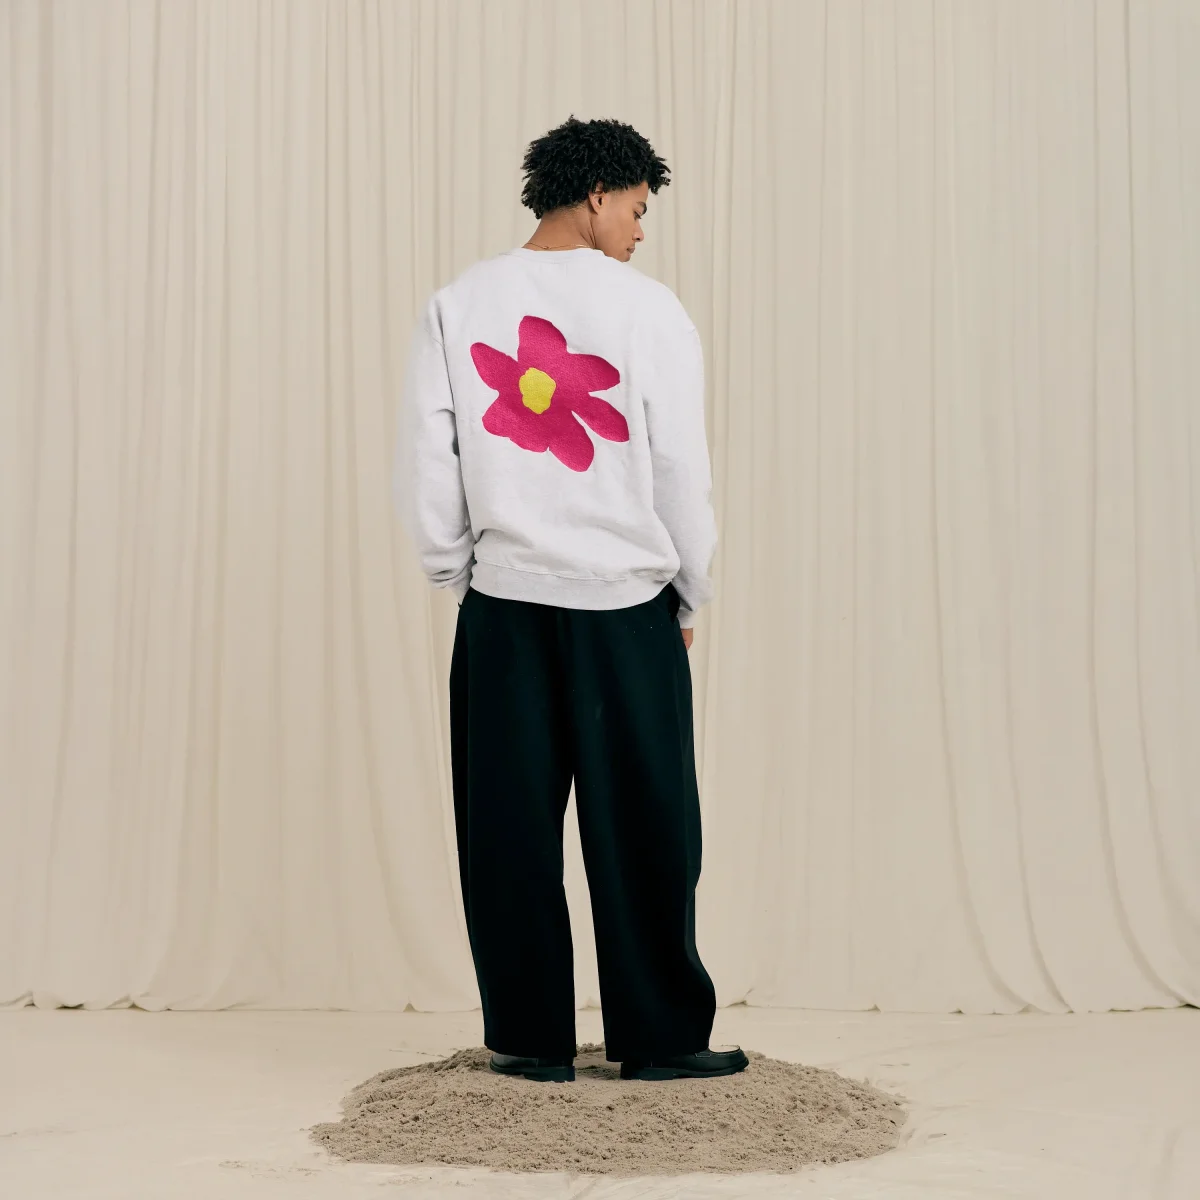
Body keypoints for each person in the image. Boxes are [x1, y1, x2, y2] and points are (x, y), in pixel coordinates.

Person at [396, 116, 746, 1084]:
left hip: (504, 607)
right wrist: (689, 593)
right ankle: (662, 1039)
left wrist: (456, 574)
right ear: (597, 195)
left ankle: (527, 1041)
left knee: (506, 827)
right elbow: (679, 467)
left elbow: (430, 457)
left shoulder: (459, 302)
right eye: (636, 207)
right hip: (627, 607)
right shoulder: (649, 310)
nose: (639, 229)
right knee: (647, 827)